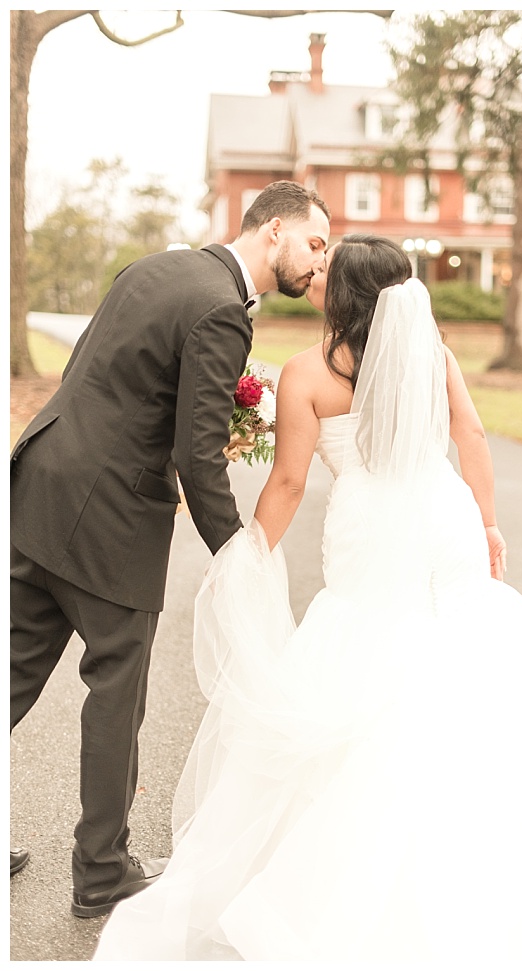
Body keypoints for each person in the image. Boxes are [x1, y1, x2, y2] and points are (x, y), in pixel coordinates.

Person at [91, 234, 522, 960]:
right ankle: (465, 849)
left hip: (370, 529)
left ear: (342, 295)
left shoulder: (306, 374)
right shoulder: (433, 357)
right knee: (457, 657)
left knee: (363, 647)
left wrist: (248, 549)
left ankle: (347, 865)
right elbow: (471, 433)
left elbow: (288, 481)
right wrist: (487, 521)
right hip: (442, 518)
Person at [10, 181, 330, 914]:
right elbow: (196, 452)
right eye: (314, 243)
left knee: (15, 669)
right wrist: (237, 554)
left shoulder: (157, 265)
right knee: (117, 691)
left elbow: (94, 371)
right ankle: (100, 873)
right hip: (109, 517)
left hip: (41, 478)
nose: (320, 263)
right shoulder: (223, 308)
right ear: (274, 231)